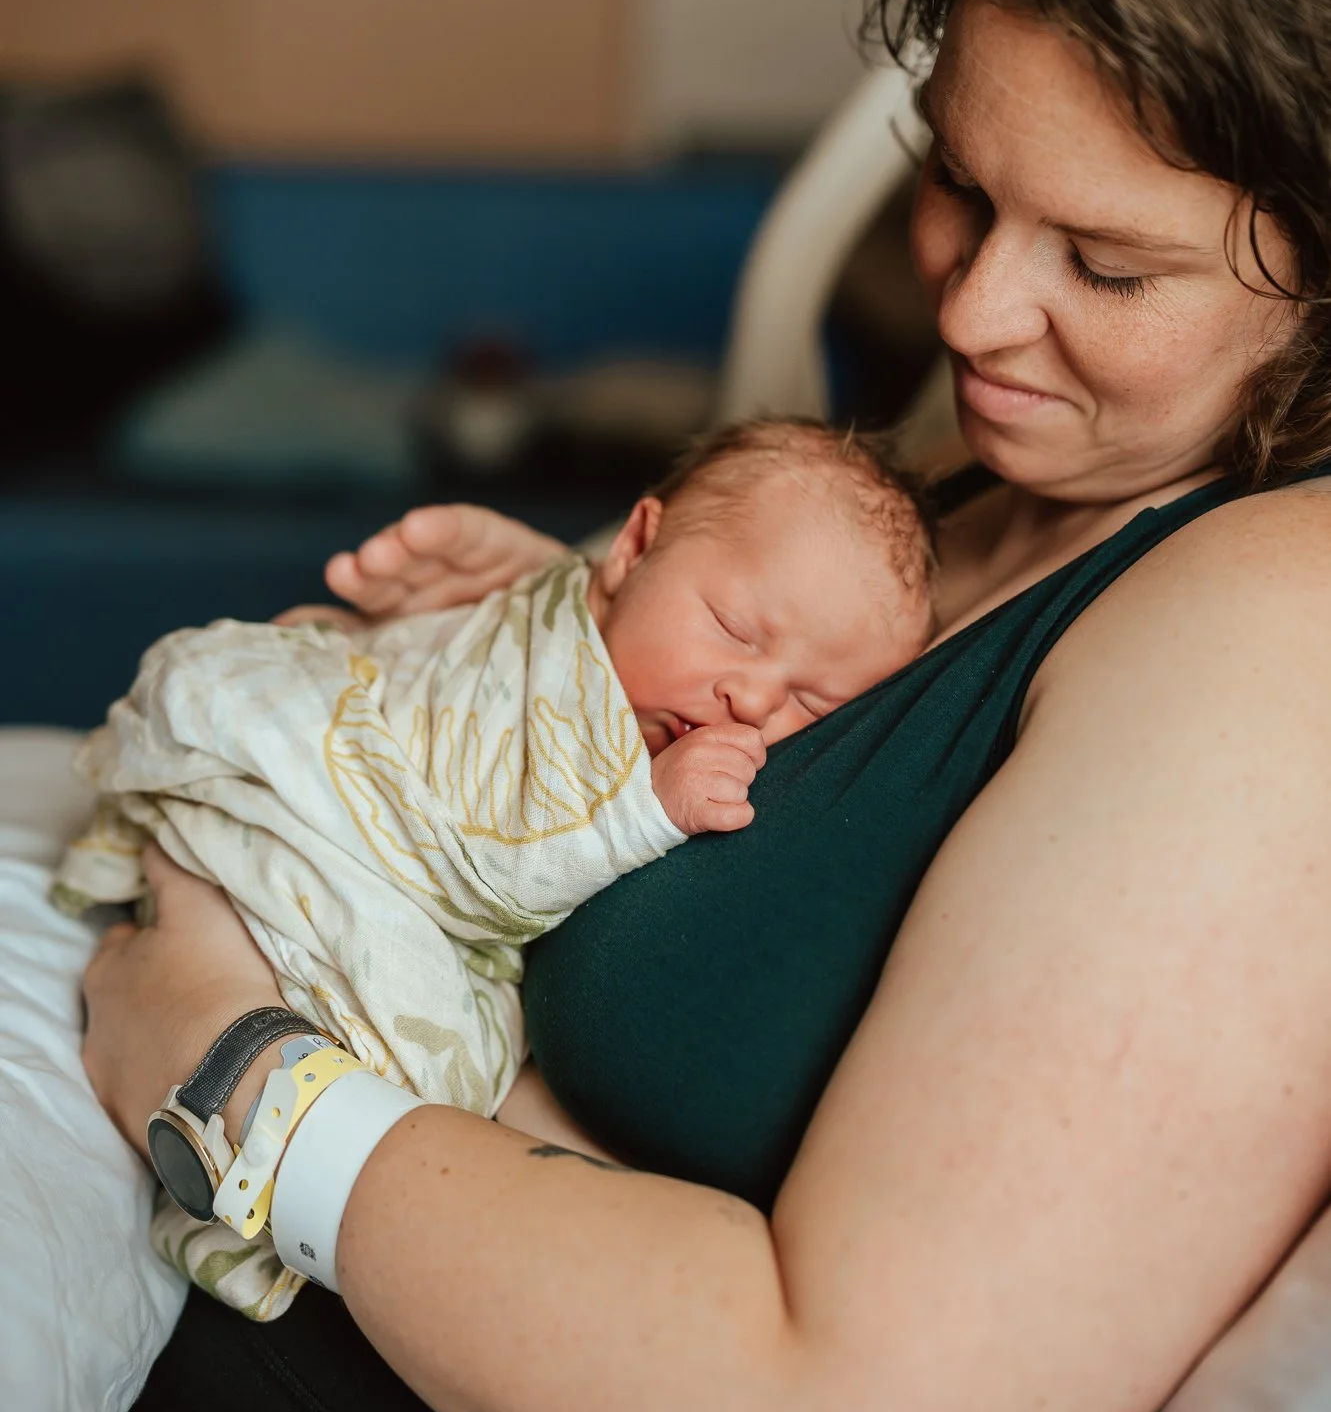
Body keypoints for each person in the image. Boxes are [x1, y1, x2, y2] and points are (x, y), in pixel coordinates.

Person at [9, 0, 1331, 1412]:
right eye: (958, 188)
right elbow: (808, 834)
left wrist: (239, 1079)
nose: (967, 309)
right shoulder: (1000, 463)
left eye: (1103, 268)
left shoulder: (1268, 636)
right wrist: (546, 634)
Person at [51, 421, 932, 1318]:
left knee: (432, 1070)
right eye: (733, 629)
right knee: (415, 1033)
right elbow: (482, 864)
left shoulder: (643, 662)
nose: (751, 698)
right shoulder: (563, 667)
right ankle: (230, 1157)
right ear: (630, 550)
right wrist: (639, 815)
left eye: (810, 703)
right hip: (329, 813)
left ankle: (223, 1111)